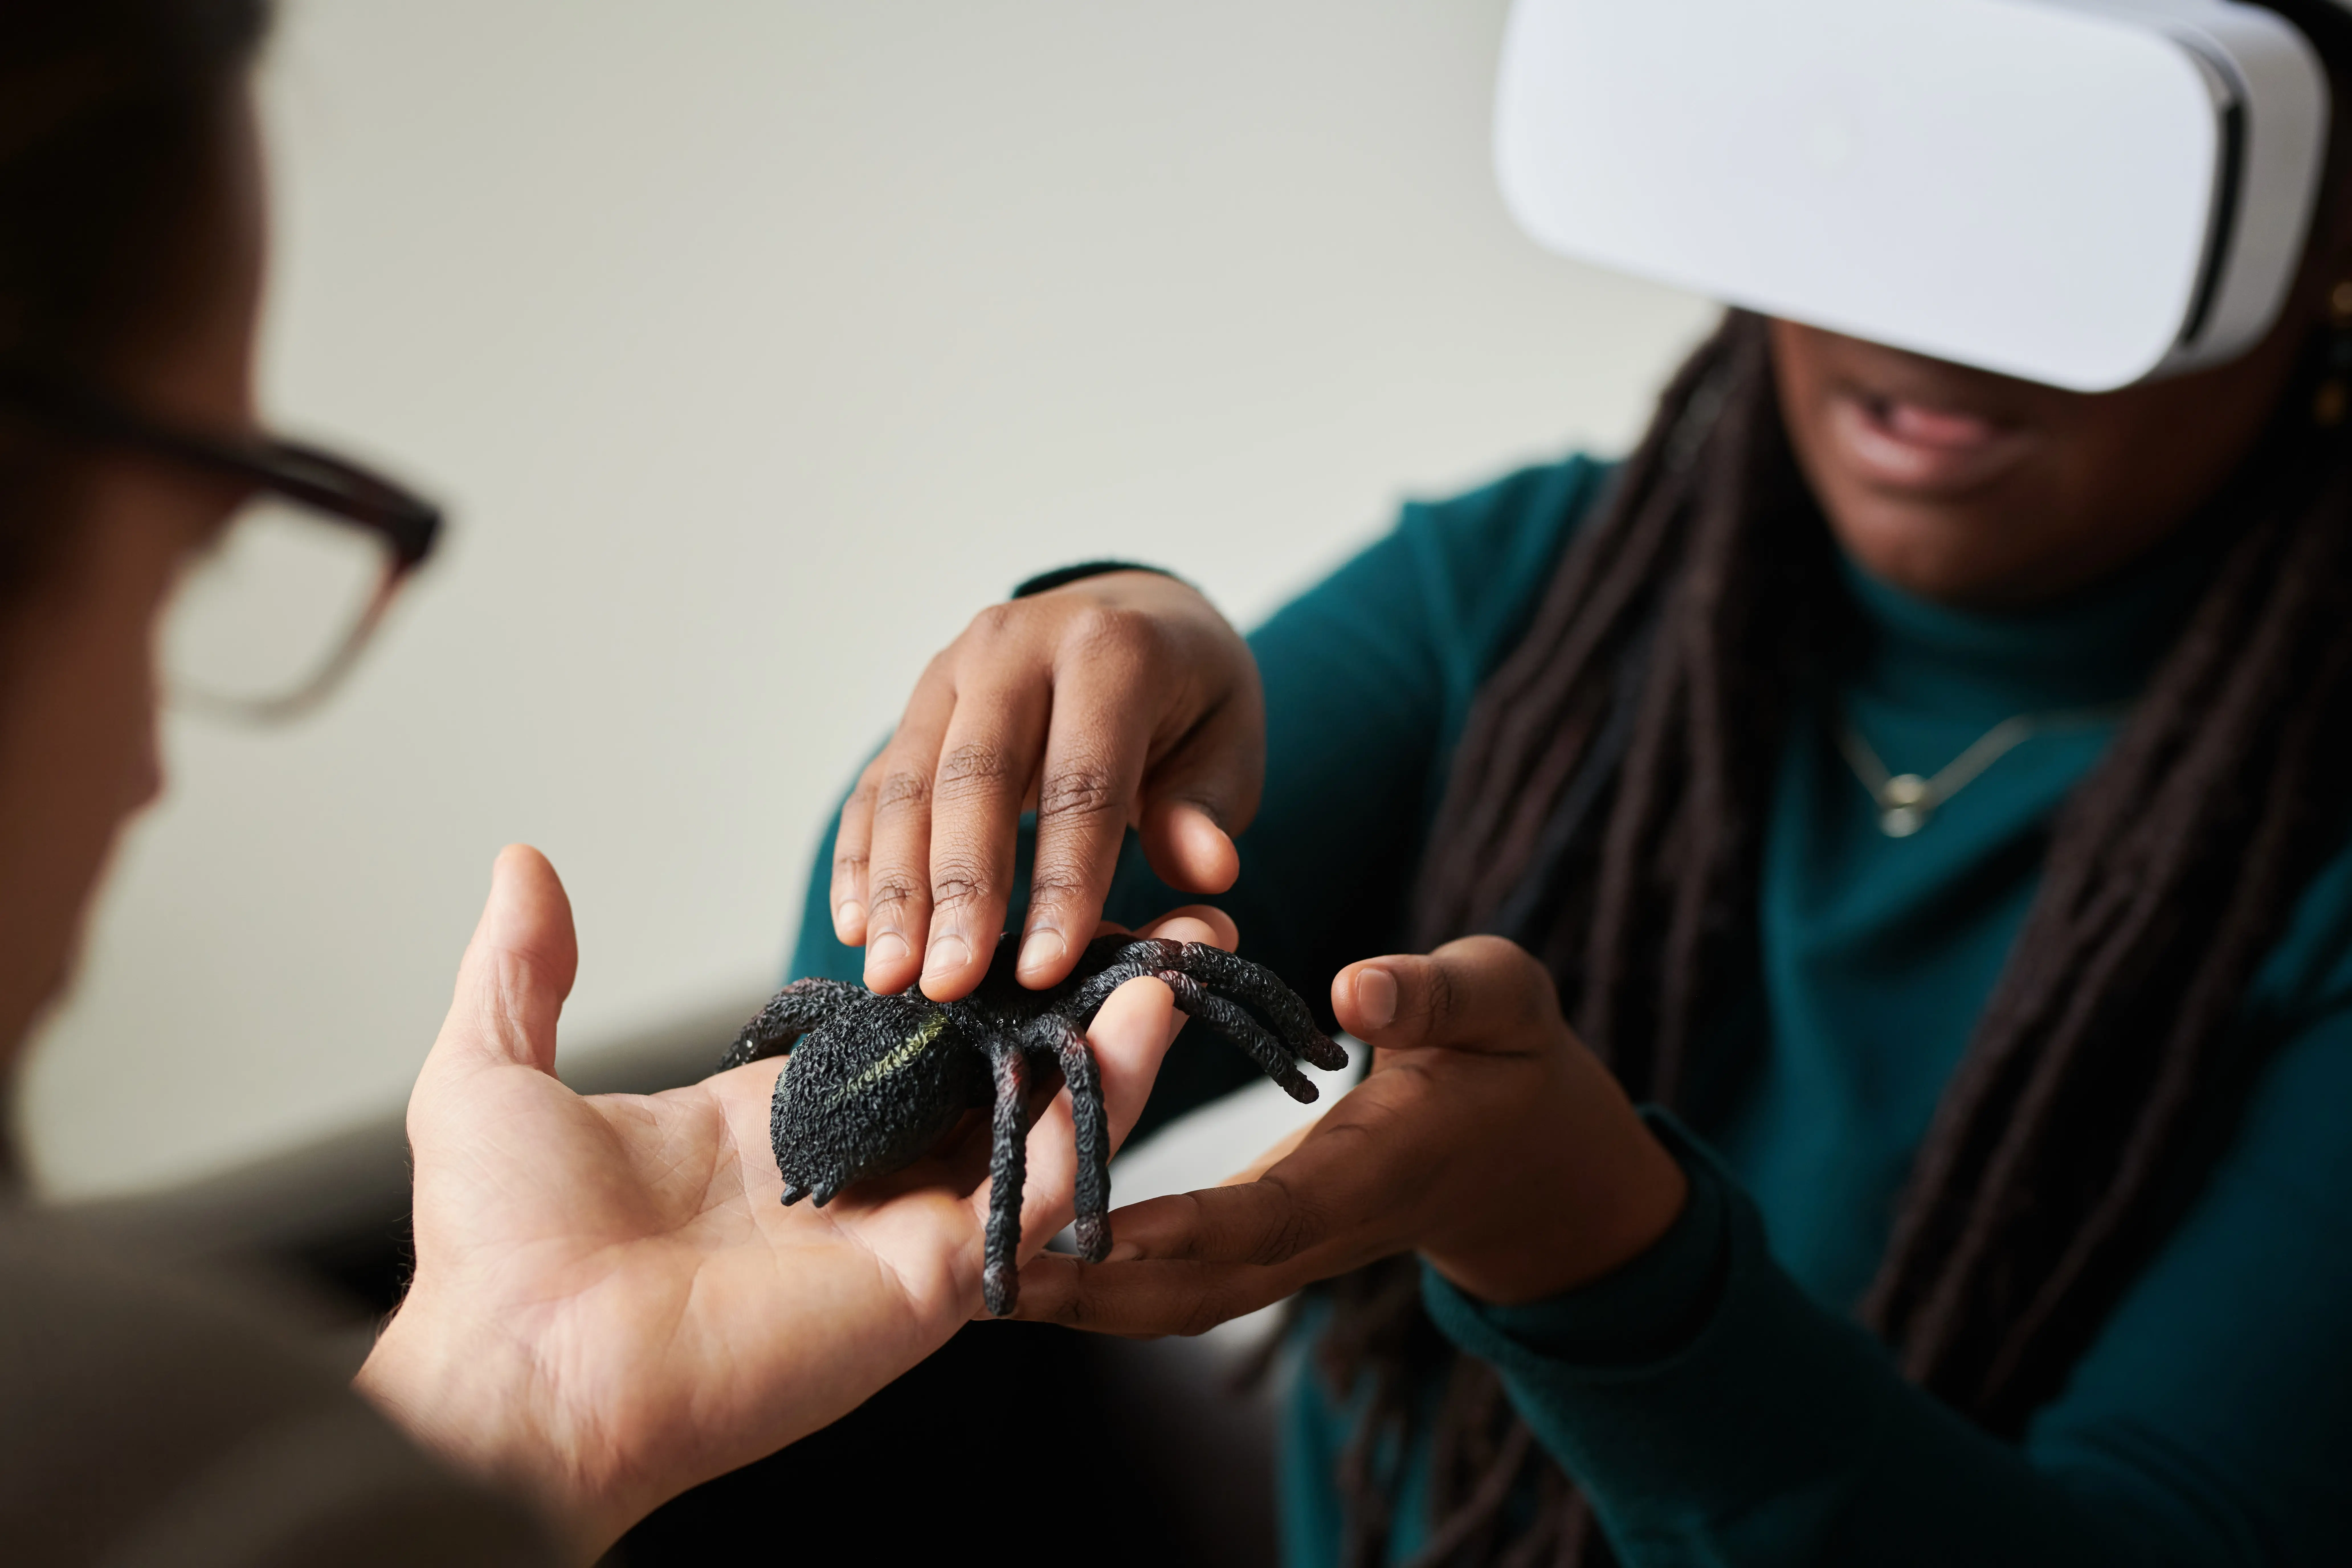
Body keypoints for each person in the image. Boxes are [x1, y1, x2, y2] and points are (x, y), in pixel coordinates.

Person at [793, 0, 2352, 1561]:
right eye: (1879, 142)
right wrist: (1091, 662)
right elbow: (880, 1027)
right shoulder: (1532, 599)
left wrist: (1595, 1254)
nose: (1926, 303)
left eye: (2082, 174)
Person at [0, 4, 1216, 1563]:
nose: (154, 773)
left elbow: (801, 1002)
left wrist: (511, 1394)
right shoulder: (183, 1468)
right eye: (185, 573)